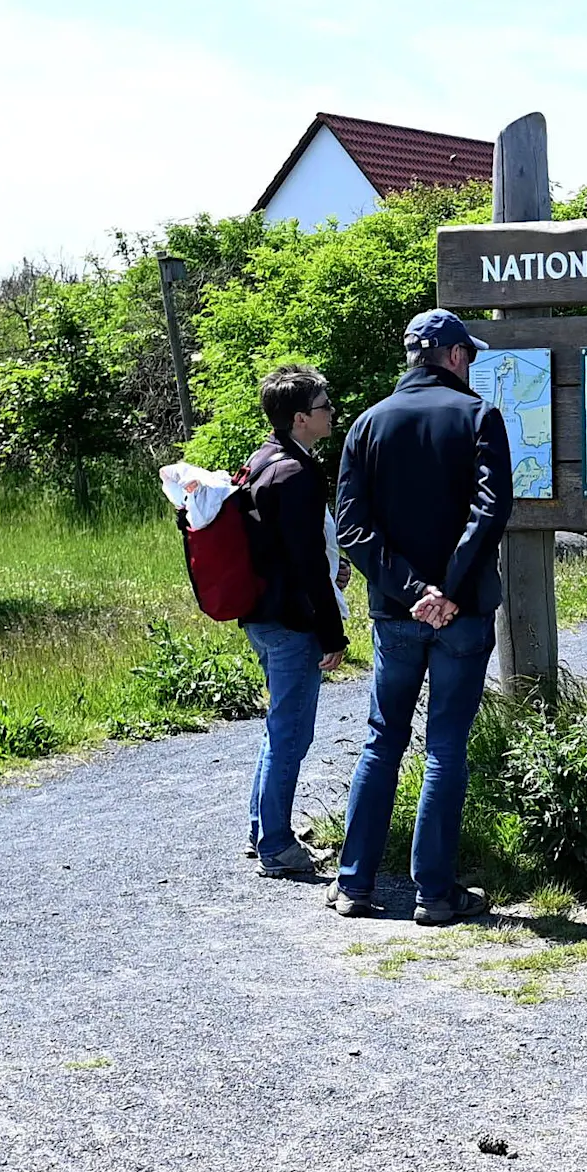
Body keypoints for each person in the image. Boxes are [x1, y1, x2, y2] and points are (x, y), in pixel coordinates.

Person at [330, 309, 513, 924]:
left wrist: (412, 591)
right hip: (461, 614)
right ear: (455, 355)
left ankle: (354, 884)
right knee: (445, 748)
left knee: (383, 740)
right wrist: (449, 590)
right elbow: (490, 511)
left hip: (394, 613)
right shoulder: (479, 416)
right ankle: (435, 894)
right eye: (472, 355)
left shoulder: (366, 424)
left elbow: (353, 528)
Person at [243, 365, 349, 877]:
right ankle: (278, 847)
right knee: (290, 734)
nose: (334, 412)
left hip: (260, 614)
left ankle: (261, 829)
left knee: (279, 726)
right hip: (291, 622)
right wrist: (332, 633)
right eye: (326, 406)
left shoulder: (263, 459)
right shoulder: (298, 474)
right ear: (302, 418)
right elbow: (307, 565)